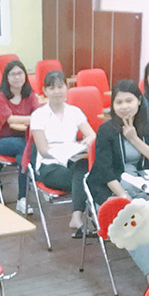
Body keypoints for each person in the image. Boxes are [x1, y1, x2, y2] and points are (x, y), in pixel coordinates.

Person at [87, 80, 149, 281]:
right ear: (113, 105)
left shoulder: (144, 129)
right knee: (138, 224)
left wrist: (134, 139)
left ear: (138, 101)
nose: (124, 106)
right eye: (119, 102)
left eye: (129, 101)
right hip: (111, 192)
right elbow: (105, 172)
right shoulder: (106, 130)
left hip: (138, 191)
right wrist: (124, 197)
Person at [30, 70, 95, 235]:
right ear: (45, 91)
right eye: (52, 88)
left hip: (72, 159)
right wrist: (62, 153)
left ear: (67, 88)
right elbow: (43, 150)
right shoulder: (38, 115)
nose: (57, 91)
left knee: (84, 168)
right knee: (85, 180)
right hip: (49, 165)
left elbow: (91, 134)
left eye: (60, 86)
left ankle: (77, 217)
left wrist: (87, 141)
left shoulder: (75, 111)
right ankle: (85, 217)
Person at [0, 59, 40, 215]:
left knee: (23, 156)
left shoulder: (30, 95)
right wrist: (31, 119)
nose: (17, 77)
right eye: (12, 74)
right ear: (6, 78)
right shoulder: (1, 96)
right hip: (4, 141)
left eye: (20, 73)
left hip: (25, 140)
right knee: (27, 149)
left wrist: (31, 119)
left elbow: (38, 114)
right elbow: (10, 119)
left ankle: (22, 199)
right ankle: (36, 179)